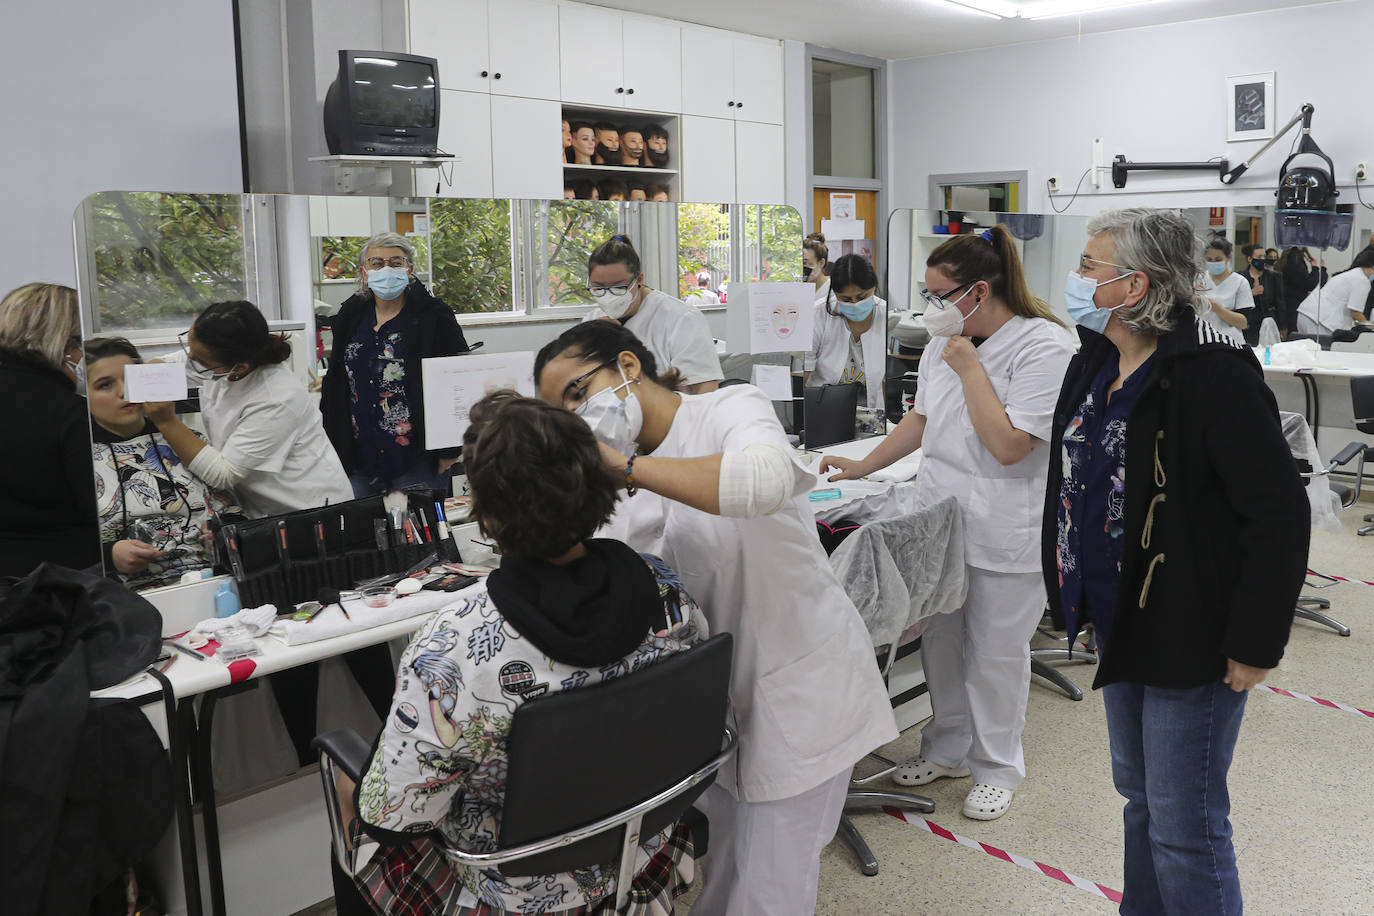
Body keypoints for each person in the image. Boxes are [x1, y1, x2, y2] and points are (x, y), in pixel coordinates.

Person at [534, 322, 897, 915]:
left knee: (769, 886)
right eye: (559, 412)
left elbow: (762, 480)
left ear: (628, 366)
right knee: (723, 872)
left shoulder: (730, 409)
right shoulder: (608, 478)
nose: (576, 415)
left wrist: (624, 468)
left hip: (800, 690)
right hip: (708, 708)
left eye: (579, 392)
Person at [334, 393, 706, 915]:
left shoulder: (453, 646)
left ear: (482, 514)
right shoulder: (664, 586)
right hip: (640, 846)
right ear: (601, 484)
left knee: (351, 786)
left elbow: (396, 817)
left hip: (515, 881)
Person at [1043, 207, 1307, 915]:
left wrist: (1255, 641)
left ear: (1136, 285)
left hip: (1192, 628)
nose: (1077, 280)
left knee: (1185, 824)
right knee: (1141, 802)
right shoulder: (1095, 361)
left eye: (1091, 268)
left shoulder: (1213, 375)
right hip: (1120, 619)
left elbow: (1278, 512)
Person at [820, 224, 1074, 821]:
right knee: (940, 639)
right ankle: (950, 747)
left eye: (938, 297)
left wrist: (969, 368)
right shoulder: (944, 343)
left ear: (979, 292)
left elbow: (1012, 445)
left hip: (1006, 526)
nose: (929, 309)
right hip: (937, 516)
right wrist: (863, 464)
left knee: (994, 652)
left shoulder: (1046, 346)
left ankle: (998, 767)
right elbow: (920, 421)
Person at [152, 300, 351, 518]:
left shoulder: (276, 396)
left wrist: (166, 421)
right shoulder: (217, 359)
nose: (190, 360)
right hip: (264, 509)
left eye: (198, 359)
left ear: (240, 367)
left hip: (310, 511)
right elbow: (167, 364)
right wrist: (144, 371)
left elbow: (223, 473)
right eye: (189, 346)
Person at [320, 231, 471, 498]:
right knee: (362, 533)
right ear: (364, 272)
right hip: (358, 455)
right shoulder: (351, 315)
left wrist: (450, 450)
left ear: (409, 269)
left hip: (417, 457)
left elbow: (457, 383)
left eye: (396, 262)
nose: (386, 269)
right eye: (377, 263)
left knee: (419, 534)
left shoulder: (434, 317)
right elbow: (336, 382)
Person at [85, 336, 236, 590]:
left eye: (130, 379)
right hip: (122, 598)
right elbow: (56, 546)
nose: (124, 392)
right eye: (105, 385)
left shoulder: (186, 441)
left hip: (210, 582)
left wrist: (221, 536)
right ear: (83, 396)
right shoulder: (76, 457)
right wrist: (109, 556)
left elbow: (234, 514)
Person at [0, 283, 100, 577]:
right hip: (57, 577)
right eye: (78, 342)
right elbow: (95, 506)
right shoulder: (68, 412)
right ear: (62, 344)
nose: (82, 354)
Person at [579, 234, 723, 394]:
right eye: (598, 288)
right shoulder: (591, 321)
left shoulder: (681, 318)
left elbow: (706, 391)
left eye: (618, 287)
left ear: (639, 279)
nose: (608, 296)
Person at [805, 253, 889, 436]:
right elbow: (806, 369)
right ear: (834, 293)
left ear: (873, 287)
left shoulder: (884, 313)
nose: (855, 304)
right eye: (846, 299)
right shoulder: (818, 314)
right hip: (826, 409)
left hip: (872, 412)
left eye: (861, 296)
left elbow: (883, 377)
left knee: (870, 457)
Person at [1295, 248, 1374, 336]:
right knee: (1318, 348)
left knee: (1308, 348)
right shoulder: (1362, 280)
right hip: (1318, 321)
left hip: (1308, 314)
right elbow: (1356, 314)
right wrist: (1370, 327)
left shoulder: (1351, 274)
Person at [1199, 237, 1253, 345]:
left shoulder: (1240, 282)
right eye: (1209, 260)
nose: (1213, 263)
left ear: (1228, 257)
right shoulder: (1197, 280)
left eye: (1218, 260)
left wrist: (1218, 309)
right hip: (1201, 340)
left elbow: (1243, 323)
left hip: (1230, 342)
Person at [1239, 243, 1286, 342]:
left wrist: (1283, 326)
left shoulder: (1274, 276)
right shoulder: (1240, 277)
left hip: (1268, 321)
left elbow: (1280, 302)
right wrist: (1250, 293)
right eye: (1259, 257)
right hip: (1248, 324)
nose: (1263, 259)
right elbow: (1235, 300)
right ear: (1250, 259)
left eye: (1264, 256)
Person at [1278, 246, 1321, 337]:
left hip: (1286, 304)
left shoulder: (1285, 259)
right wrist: (1315, 268)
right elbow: (1309, 284)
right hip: (1295, 306)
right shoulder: (1296, 261)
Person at [803, 232, 831, 307]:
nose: (801, 268)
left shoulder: (833, 292)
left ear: (821, 263)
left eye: (804, 262)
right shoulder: (800, 290)